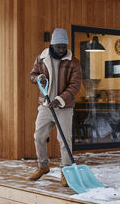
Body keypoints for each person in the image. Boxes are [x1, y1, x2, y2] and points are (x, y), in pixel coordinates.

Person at [28, 28, 82, 186]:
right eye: (58, 47)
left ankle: (66, 171)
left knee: (64, 140)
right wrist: (38, 77)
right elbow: (32, 75)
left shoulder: (73, 62)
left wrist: (59, 100)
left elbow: (74, 86)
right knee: (39, 136)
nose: (61, 50)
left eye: (64, 47)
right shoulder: (41, 58)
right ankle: (43, 166)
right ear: (52, 45)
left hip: (63, 107)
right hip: (45, 106)